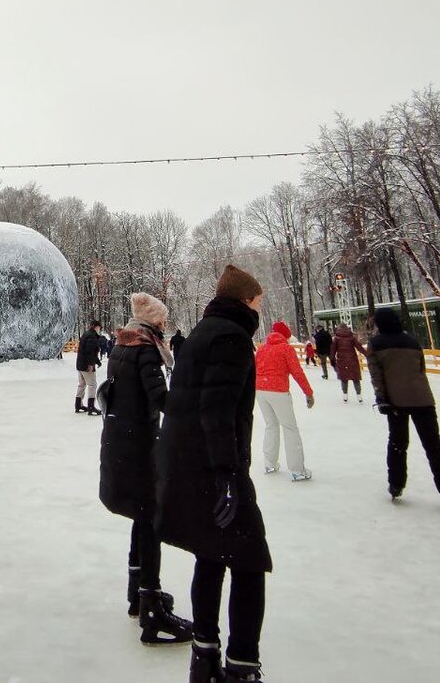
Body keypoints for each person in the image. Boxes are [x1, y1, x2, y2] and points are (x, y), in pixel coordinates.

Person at [156, 265, 271, 683]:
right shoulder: (231, 336)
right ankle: (242, 666)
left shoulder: (204, 332)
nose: (260, 306)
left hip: (190, 464)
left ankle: (204, 658)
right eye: (258, 300)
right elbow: (216, 409)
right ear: (245, 301)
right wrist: (226, 473)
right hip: (214, 467)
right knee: (249, 562)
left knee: (211, 555)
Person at [99, 293, 191, 644]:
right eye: (163, 320)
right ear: (153, 321)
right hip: (140, 446)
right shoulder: (147, 349)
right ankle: (152, 606)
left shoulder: (122, 346)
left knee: (141, 516)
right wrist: (189, 402)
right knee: (151, 518)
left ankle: (137, 592)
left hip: (121, 443)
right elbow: (159, 397)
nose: (165, 325)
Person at [367, 307, 440, 510]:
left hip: (396, 402)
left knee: (398, 444)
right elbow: (421, 369)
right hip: (423, 399)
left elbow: (376, 375)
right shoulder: (412, 341)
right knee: (434, 445)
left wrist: (381, 397)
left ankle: (396, 484)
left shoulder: (376, 344)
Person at [255, 321, 314, 480]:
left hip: (260, 390)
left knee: (271, 426)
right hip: (278, 391)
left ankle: (270, 463)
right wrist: (308, 393)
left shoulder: (262, 350)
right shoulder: (285, 349)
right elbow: (297, 372)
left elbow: (253, 370)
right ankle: (297, 470)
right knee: (290, 428)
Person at [330, 323, 367, 402]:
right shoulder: (352, 337)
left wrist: (332, 360)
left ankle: (345, 396)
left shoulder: (336, 338)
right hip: (352, 360)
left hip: (341, 360)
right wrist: (368, 354)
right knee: (355, 378)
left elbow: (332, 350)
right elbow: (359, 347)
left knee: (344, 378)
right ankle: (359, 396)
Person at [74, 320, 104, 416]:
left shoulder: (86, 334)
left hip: (80, 364)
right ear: (96, 327)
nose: (100, 329)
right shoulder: (92, 336)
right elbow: (89, 351)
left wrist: (97, 361)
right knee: (92, 385)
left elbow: (88, 351)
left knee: (82, 384)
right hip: (86, 365)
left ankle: (78, 404)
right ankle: (91, 407)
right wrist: (91, 364)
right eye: (99, 327)